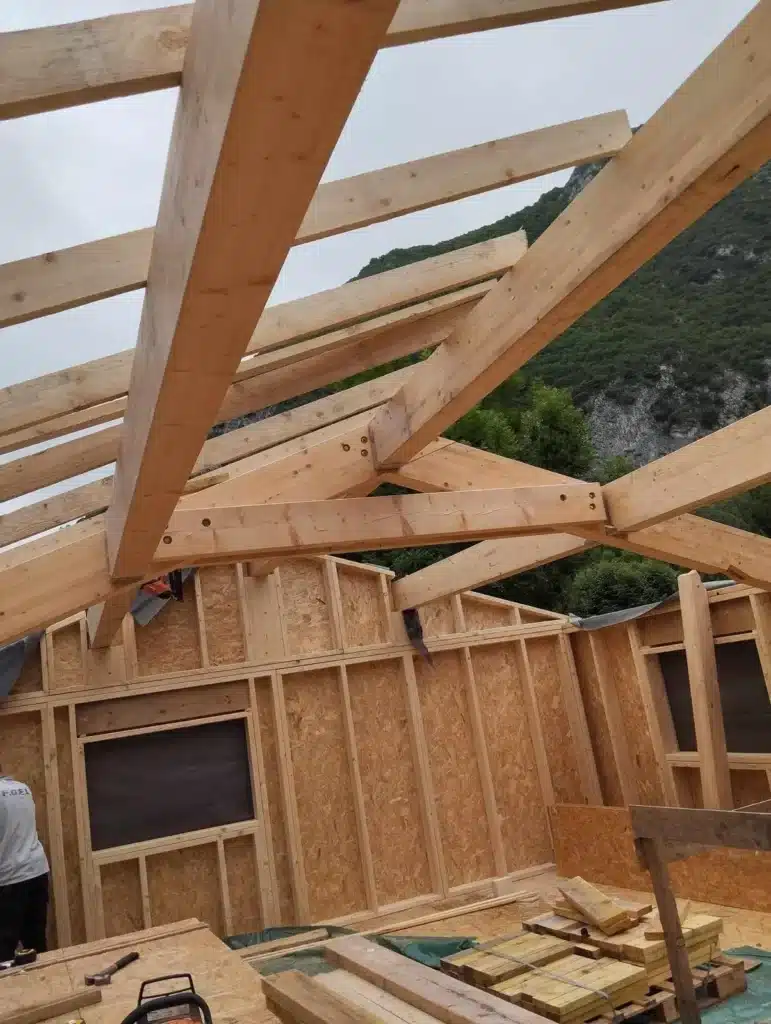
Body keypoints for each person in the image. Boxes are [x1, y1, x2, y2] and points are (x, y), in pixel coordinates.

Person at [0, 772, 50, 960]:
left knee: (3, 950)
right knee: (36, 943)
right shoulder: (23, 788)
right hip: (37, 871)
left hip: (10, 879)